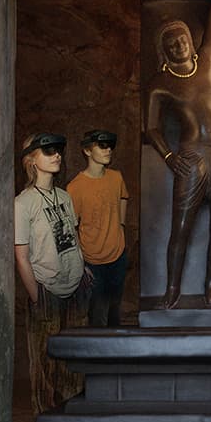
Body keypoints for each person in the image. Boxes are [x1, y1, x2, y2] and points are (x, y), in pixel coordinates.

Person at [142, 0, 211, 308]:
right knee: (181, 225)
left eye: (181, 38)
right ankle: (172, 289)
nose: (178, 45)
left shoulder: (209, 57)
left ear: (190, 39)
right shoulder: (161, 85)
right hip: (190, 154)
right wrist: (169, 156)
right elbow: (151, 127)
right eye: (170, 43)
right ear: (164, 52)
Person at [15, 131, 87, 413]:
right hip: (47, 290)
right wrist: (37, 296)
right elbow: (21, 256)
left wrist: (83, 271)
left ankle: (74, 409)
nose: (56, 155)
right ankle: (47, 415)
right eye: (48, 151)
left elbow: (72, 236)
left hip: (76, 285)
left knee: (75, 354)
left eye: (58, 149)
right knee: (45, 356)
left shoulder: (65, 196)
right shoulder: (23, 203)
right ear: (32, 160)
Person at [68, 128, 129, 327]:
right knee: (96, 317)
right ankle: (96, 358)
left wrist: (120, 228)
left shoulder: (116, 177)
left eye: (110, 146)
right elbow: (72, 228)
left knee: (115, 314)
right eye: (102, 146)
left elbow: (123, 198)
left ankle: (115, 357)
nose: (108, 150)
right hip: (92, 261)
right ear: (87, 151)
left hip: (118, 256)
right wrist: (82, 263)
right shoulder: (75, 187)